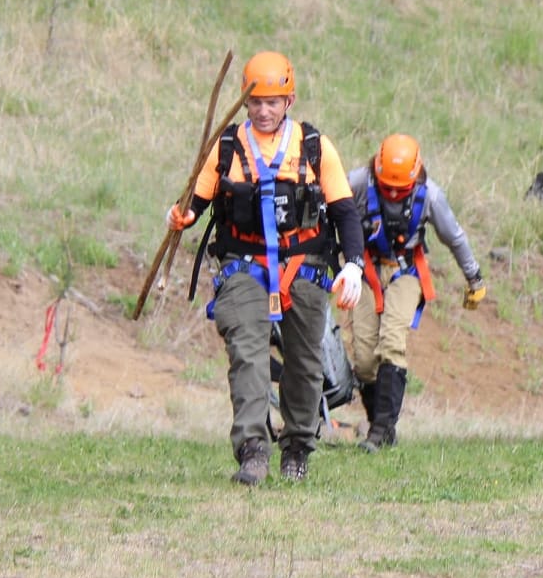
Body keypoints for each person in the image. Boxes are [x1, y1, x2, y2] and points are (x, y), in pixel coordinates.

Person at [166, 51, 366, 485]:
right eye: (255, 102)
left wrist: (353, 265)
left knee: (304, 362)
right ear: (244, 101)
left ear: (289, 101)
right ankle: (253, 449)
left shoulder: (314, 147)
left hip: (306, 266)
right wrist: (180, 216)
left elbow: (345, 211)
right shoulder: (224, 148)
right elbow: (194, 204)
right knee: (247, 354)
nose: (263, 110)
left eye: (273, 102)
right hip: (243, 265)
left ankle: (296, 446)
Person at [344, 133, 486, 453]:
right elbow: (333, 213)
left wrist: (474, 277)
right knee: (365, 360)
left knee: (392, 341)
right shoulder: (357, 182)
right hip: (365, 270)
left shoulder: (431, 196)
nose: (393, 193)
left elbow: (455, 237)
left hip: (405, 271)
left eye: (401, 189)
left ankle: (380, 431)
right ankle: (380, 426)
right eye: (387, 186)